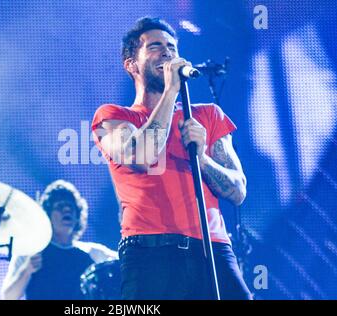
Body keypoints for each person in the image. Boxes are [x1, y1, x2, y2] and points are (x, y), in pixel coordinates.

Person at [91, 17, 252, 300]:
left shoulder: (207, 115)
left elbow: (238, 191)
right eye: (155, 46)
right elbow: (143, 155)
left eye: (172, 47)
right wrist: (171, 91)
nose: (167, 52)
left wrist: (202, 159)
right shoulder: (114, 117)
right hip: (151, 254)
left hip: (214, 250)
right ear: (131, 64)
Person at [0, 179, 118, 300]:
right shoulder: (31, 252)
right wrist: (26, 270)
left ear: (78, 216)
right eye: (60, 206)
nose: (66, 210)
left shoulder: (93, 253)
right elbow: (8, 297)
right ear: (47, 215)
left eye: (71, 207)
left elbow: (125, 265)